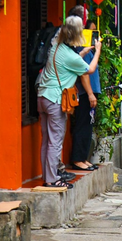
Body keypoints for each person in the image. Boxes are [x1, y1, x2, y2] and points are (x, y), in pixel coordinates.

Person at [37, 16, 101, 188]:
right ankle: (51, 180)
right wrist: (98, 51)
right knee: (55, 141)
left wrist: (83, 53)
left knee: (46, 141)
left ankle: (48, 175)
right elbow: (90, 69)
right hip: (55, 99)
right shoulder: (69, 56)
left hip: (42, 97)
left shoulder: (56, 47)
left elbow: (68, 62)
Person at [70, 20, 101, 171]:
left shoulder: (87, 49)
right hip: (84, 93)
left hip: (90, 92)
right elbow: (84, 73)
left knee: (88, 125)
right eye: (92, 32)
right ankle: (77, 159)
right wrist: (90, 94)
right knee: (83, 124)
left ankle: (83, 158)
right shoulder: (81, 49)